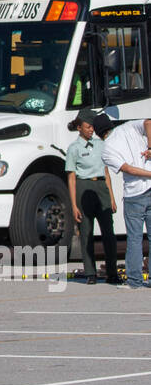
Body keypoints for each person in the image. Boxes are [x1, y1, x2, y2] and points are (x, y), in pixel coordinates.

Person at [94, 113, 151, 289]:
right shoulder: (128, 126)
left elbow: (127, 169)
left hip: (134, 194)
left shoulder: (106, 150)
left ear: (98, 133)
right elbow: (148, 122)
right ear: (111, 125)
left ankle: (135, 281)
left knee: (134, 239)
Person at [65, 109, 119, 285]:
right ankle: (90, 272)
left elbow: (106, 171)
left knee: (108, 233)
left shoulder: (101, 145)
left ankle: (112, 272)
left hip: (101, 187)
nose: (91, 130)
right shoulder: (74, 149)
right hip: (84, 187)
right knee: (86, 232)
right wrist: (73, 205)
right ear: (79, 127)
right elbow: (72, 178)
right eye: (88, 127)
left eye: (92, 127)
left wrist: (111, 197)